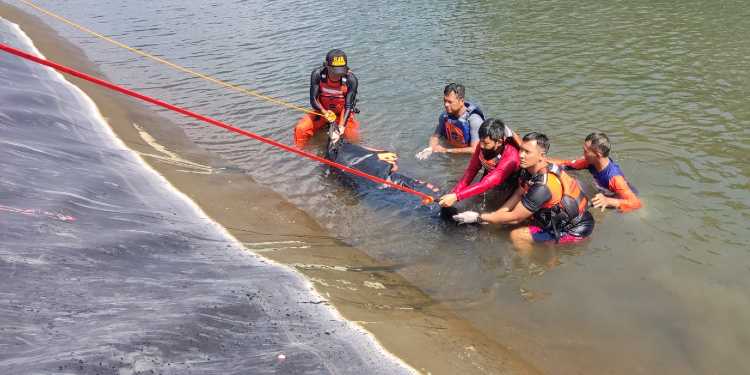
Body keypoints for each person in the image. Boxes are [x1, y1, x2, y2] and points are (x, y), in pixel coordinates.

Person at [453, 132, 595, 252]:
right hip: (558, 214)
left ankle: (527, 271)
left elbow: (515, 217)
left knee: (517, 235)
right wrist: (496, 215)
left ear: (541, 155)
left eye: (527, 152)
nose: (521, 155)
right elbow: (518, 193)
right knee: (500, 220)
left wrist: (479, 217)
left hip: (575, 229)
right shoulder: (529, 170)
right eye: (521, 149)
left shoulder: (543, 186)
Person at [548, 132, 642, 212]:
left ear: (597, 155)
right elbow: (565, 164)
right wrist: (541, 159)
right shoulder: (590, 162)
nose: (583, 154)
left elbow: (636, 203)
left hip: (620, 199)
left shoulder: (614, 178)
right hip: (604, 192)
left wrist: (608, 201)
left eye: (586, 151)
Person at [438, 118, 520, 208]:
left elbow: (488, 182)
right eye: (480, 141)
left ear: (499, 142)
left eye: (486, 143)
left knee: (493, 207)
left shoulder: (511, 156)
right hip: (490, 173)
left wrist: (457, 197)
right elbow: (472, 170)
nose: (481, 145)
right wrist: (454, 193)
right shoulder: (482, 145)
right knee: (478, 197)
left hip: (509, 182)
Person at [294, 49, 359, 148]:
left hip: (342, 113)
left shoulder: (351, 79)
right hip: (322, 111)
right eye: (334, 72)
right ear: (327, 66)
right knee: (300, 129)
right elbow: (313, 100)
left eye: (340, 72)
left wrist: (341, 128)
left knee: (352, 138)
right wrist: (325, 113)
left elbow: (348, 105)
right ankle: (301, 153)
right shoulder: (317, 75)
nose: (337, 75)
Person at [416, 83, 484, 158]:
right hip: (451, 154)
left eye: (450, 102)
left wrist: (446, 150)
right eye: (445, 101)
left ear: (461, 101)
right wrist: (430, 148)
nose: (446, 104)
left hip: (466, 159)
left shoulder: (474, 120)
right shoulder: (444, 116)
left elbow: (475, 150)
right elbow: (435, 136)